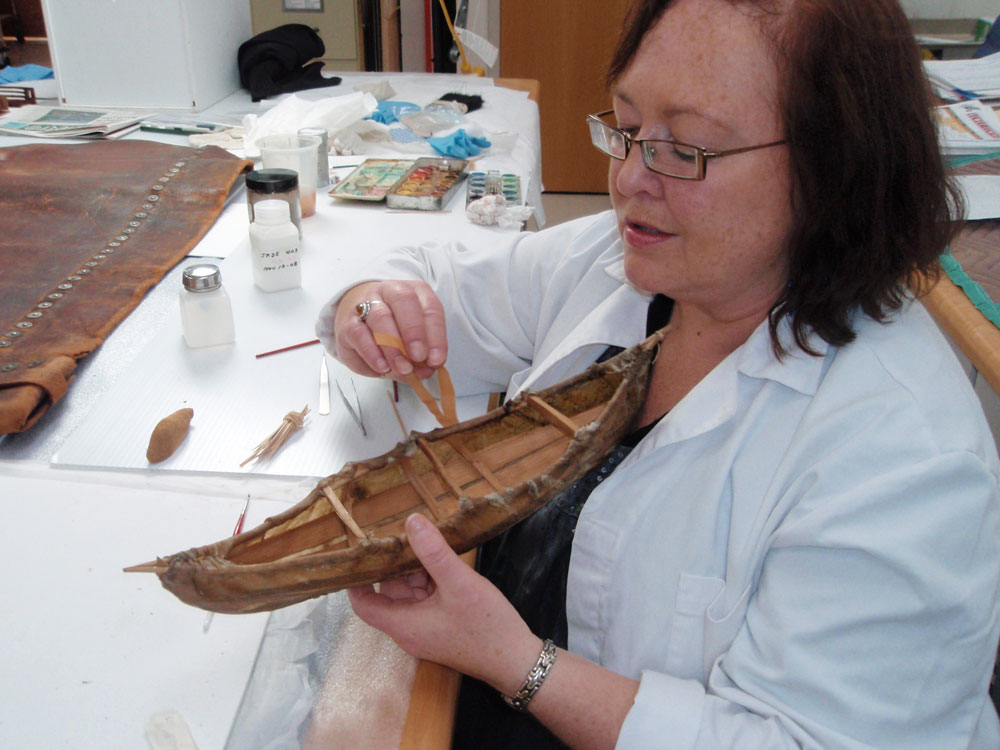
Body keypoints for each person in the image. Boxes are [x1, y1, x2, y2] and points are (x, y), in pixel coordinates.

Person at [314, 0, 1000, 746]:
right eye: (627, 126)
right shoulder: (639, 263)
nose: (632, 179)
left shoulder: (906, 456)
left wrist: (513, 660)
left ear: (834, 165)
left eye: (689, 148)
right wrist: (372, 307)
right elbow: (428, 281)